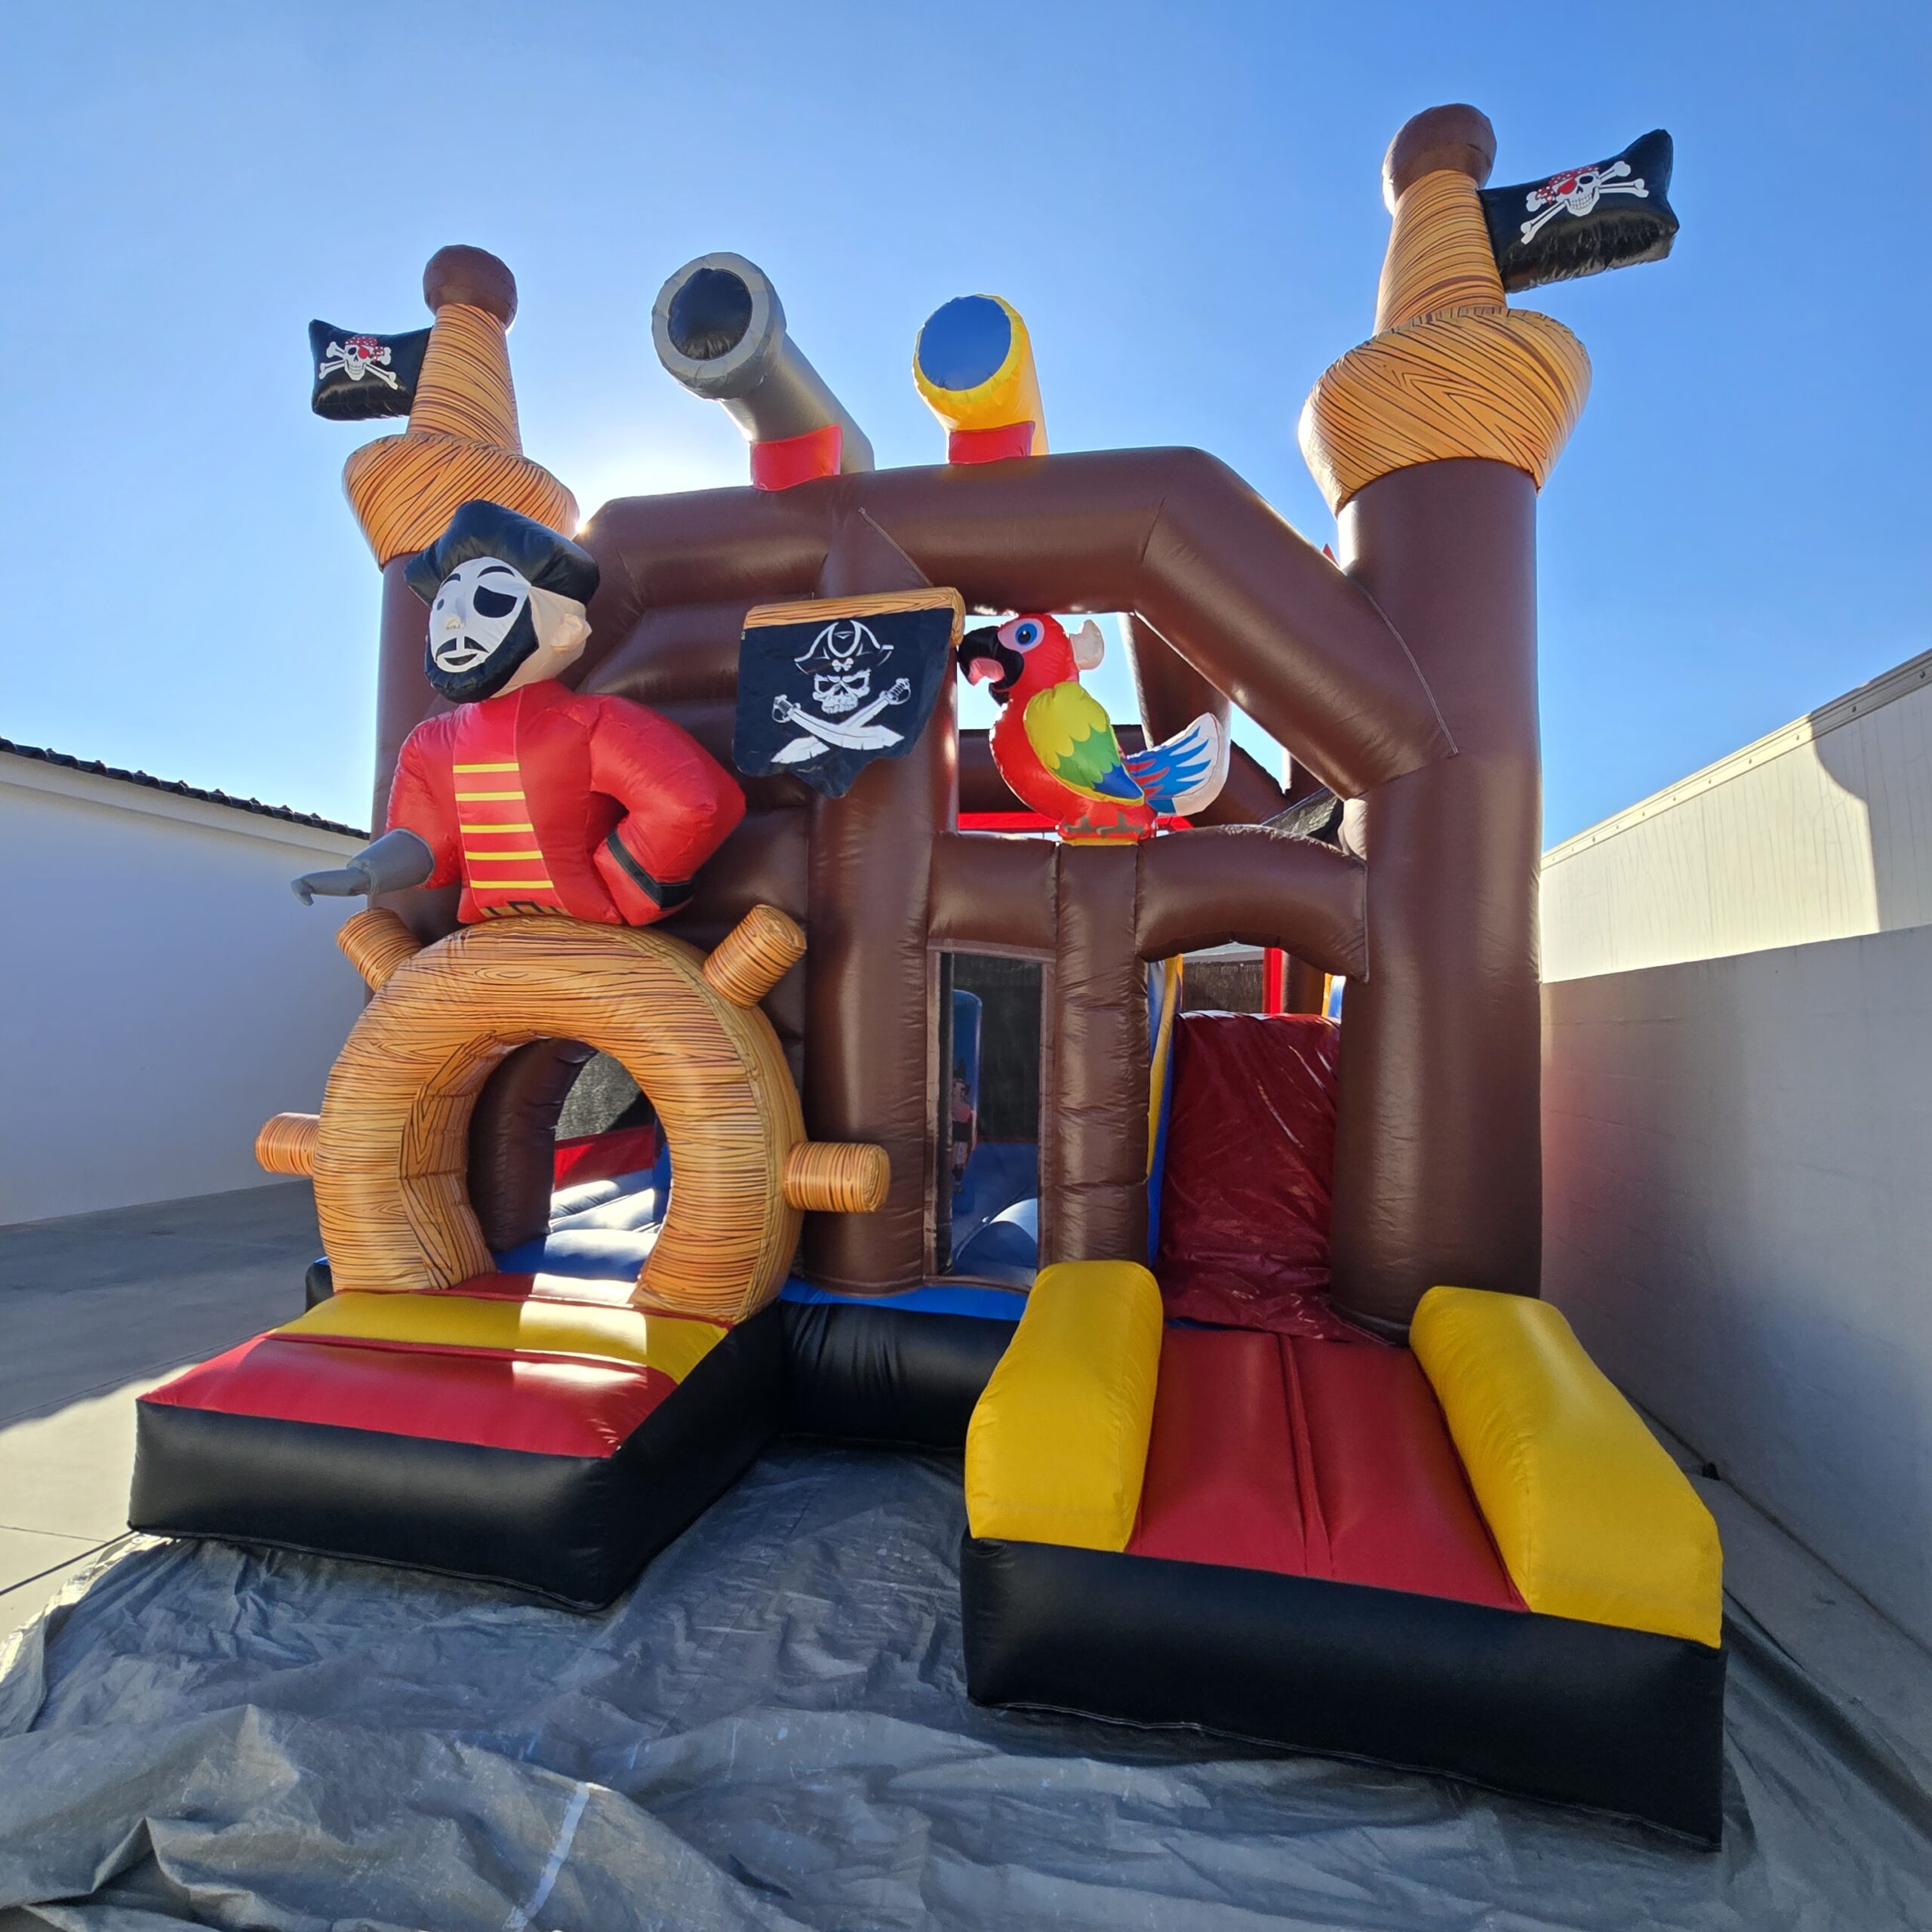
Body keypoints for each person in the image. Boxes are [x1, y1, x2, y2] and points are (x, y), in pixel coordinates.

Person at [294, 500, 744, 924]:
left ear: (566, 630)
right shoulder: (429, 745)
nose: (454, 621)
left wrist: (622, 881)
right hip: (485, 939)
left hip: (592, 938)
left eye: (491, 600)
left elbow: (695, 802)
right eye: (444, 606)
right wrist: (364, 873)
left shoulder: (593, 725)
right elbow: (425, 839)